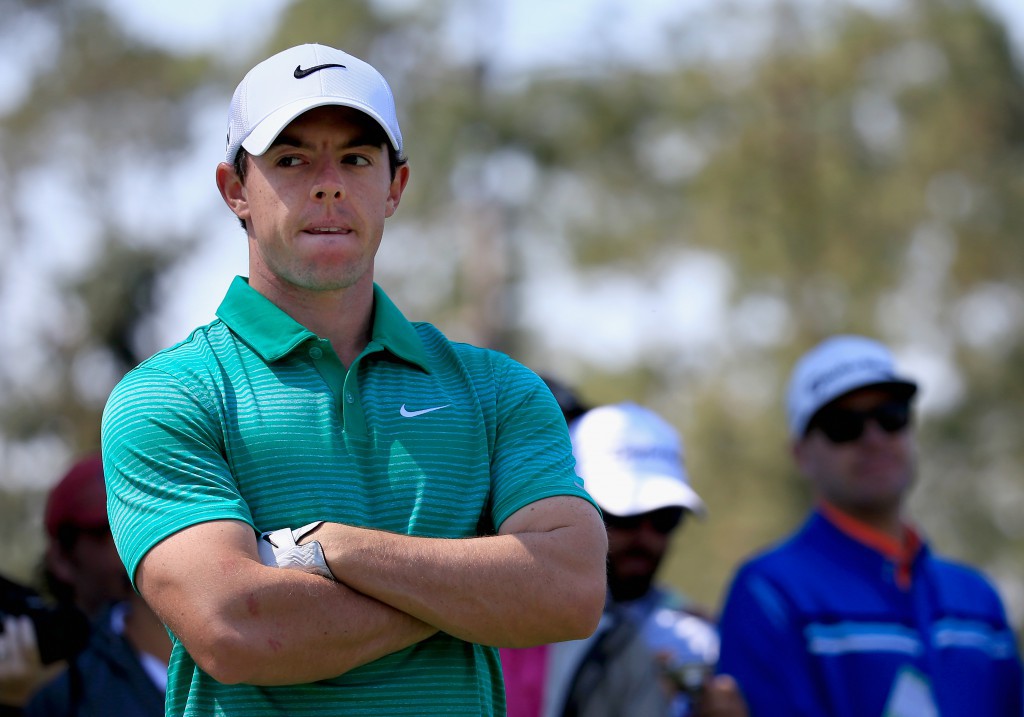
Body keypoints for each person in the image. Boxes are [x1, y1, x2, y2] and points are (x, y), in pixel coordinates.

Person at [100, 43, 608, 716]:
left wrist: (332, 549)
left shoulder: (498, 390)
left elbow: (570, 591)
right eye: (291, 159)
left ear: (395, 187)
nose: (328, 182)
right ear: (234, 190)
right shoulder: (168, 397)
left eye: (357, 158)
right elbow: (239, 628)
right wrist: (478, 590)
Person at [716, 335, 1024, 716]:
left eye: (891, 416)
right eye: (843, 425)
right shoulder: (770, 593)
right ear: (801, 454)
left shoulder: (978, 600)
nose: (874, 438)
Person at [503, 401, 746, 717]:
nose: (645, 538)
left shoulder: (697, 644)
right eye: (623, 517)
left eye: (665, 518)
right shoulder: (507, 630)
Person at [22, 455, 169, 717]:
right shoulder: (57, 693)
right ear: (62, 559)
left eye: (151, 519)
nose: (137, 542)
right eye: (108, 530)